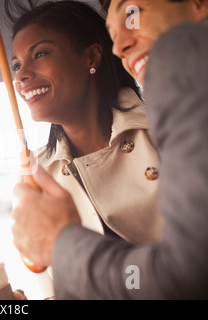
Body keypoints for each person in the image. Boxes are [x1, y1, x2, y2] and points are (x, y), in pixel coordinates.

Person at [11, 0, 208, 299]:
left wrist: (62, 246)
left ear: (91, 56)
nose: (22, 75)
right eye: (16, 65)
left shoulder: (170, 123)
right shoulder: (35, 176)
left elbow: (187, 273)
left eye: (40, 53)